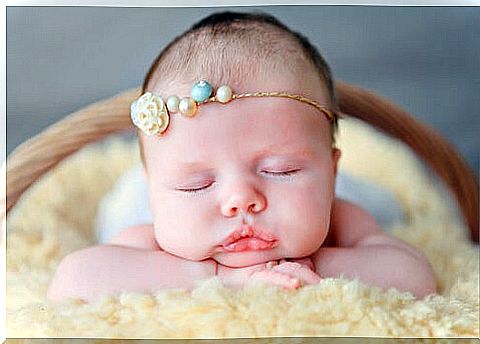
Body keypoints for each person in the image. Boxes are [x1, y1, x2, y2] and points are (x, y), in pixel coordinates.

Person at [47, 11, 437, 302]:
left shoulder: (342, 220)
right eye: (196, 184)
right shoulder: (149, 238)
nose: (240, 199)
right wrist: (221, 276)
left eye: (280, 170)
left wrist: (312, 266)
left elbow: (416, 276)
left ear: (331, 173)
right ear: (154, 191)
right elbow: (73, 280)